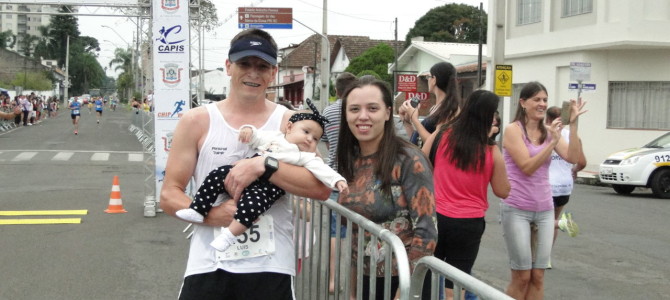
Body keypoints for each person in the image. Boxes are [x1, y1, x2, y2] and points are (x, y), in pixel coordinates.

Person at [159, 28, 331, 300]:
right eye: (244, 64)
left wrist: (266, 165)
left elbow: (321, 188)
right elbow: (169, 194)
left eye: (262, 66)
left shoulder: (292, 123)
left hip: (271, 265)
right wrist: (215, 215)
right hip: (209, 263)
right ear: (228, 66)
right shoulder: (197, 120)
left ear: (273, 72)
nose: (253, 73)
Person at [175, 99, 349, 252]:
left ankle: (229, 235)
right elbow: (256, 136)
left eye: (316, 138)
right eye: (306, 132)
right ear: (289, 127)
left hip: (269, 187)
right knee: (216, 175)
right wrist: (248, 131)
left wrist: (338, 180)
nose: (310, 139)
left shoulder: (307, 156)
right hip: (244, 170)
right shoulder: (275, 137)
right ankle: (198, 208)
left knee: (252, 206)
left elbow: (323, 170)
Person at [337, 78, 438, 299]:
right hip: (367, 280)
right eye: (354, 109)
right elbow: (356, 232)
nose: (363, 116)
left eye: (372, 108)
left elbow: (427, 230)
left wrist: (405, 290)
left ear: (387, 113)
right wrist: (353, 289)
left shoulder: (409, 159)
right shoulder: (350, 159)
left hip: (401, 282)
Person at [501, 81, 586, 300]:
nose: (542, 104)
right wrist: (551, 143)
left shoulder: (549, 132)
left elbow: (573, 158)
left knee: (538, 275)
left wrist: (573, 125)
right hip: (517, 208)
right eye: (536, 99)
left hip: (545, 209)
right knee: (522, 277)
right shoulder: (513, 130)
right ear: (523, 103)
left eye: (545, 100)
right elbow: (527, 166)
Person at [422, 90, 511, 300]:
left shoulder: (443, 134)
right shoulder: (491, 150)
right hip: (468, 224)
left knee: (426, 274)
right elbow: (502, 190)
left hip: (436, 217)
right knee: (456, 285)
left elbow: (422, 160)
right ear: (489, 118)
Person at [320, 71, 356, 293]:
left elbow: (323, 139)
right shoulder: (357, 110)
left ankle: (333, 279)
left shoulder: (328, 111)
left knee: (335, 232)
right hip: (356, 177)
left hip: (333, 177)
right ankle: (353, 287)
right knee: (357, 233)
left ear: (336, 90)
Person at [546, 106, 586, 256]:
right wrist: (574, 171)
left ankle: (539, 255)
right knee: (552, 220)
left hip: (547, 186)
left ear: (548, 119)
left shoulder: (544, 133)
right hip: (564, 186)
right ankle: (547, 257)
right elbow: (582, 162)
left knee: (539, 222)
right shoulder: (573, 136)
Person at [398, 62, 461, 147]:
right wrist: (407, 121)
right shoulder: (435, 108)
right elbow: (419, 140)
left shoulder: (450, 109)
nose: (428, 79)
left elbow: (435, 143)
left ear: (434, 79)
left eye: (429, 77)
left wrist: (414, 118)